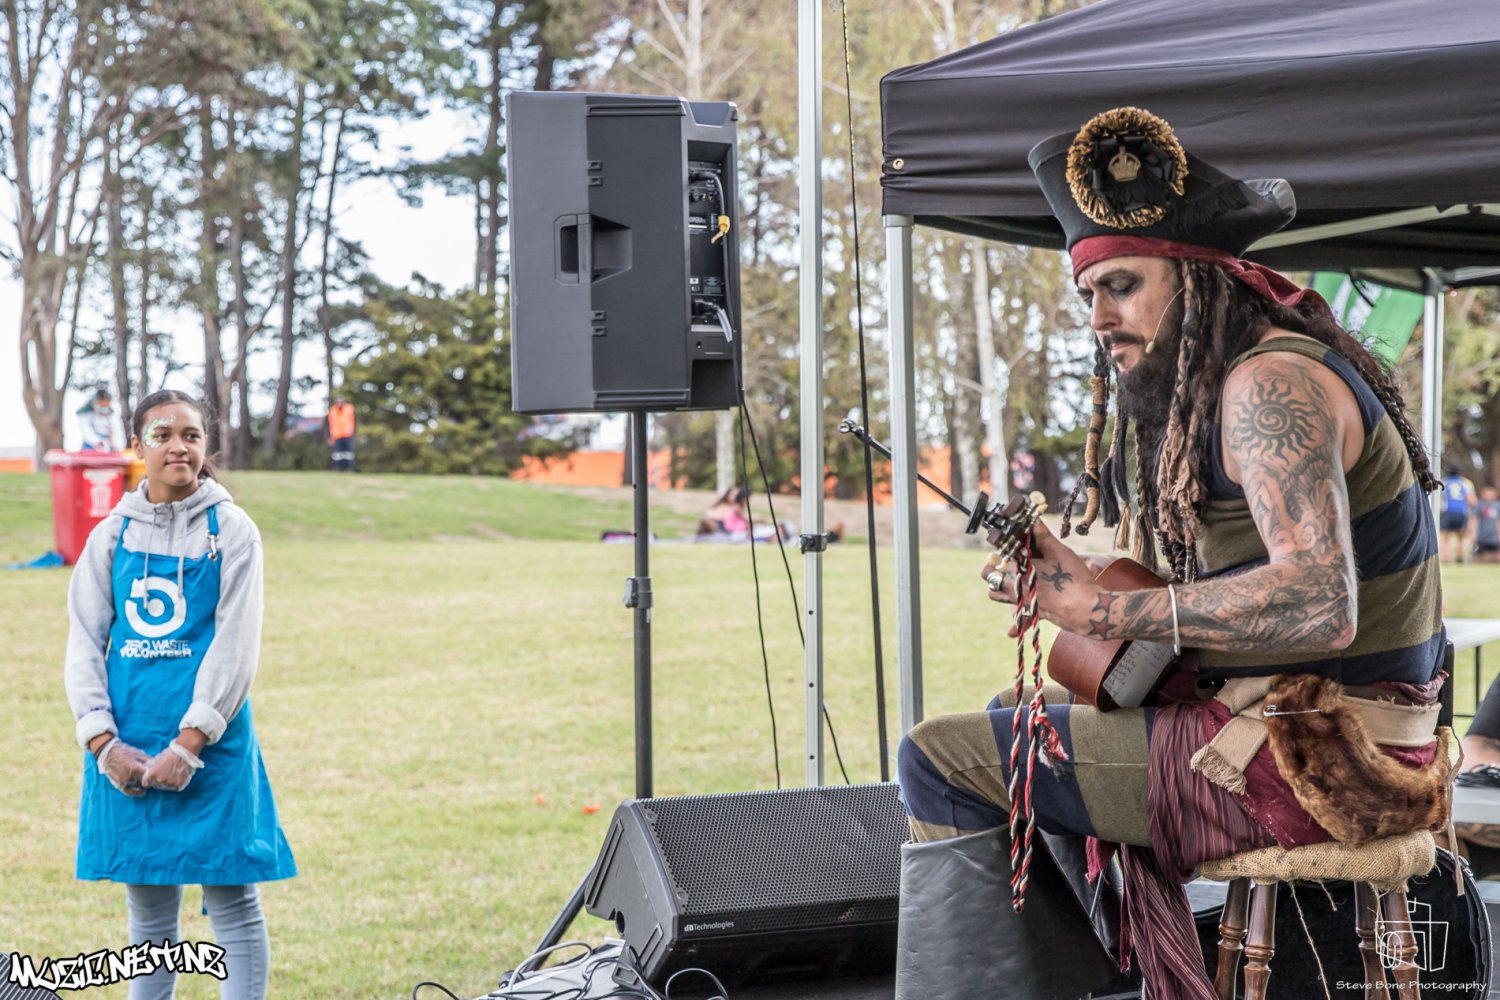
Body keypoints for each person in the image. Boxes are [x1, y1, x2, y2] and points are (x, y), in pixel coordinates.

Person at [894, 108, 1449, 1000]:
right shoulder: (1249, 374)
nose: (1100, 318)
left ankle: (1080, 981)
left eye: (1121, 286)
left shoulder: (1268, 384)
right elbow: (1238, 594)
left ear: (1198, 280)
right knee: (1013, 714)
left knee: (938, 757)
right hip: (1325, 731)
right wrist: (1074, 578)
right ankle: (1110, 976)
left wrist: (1103, 609)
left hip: (1326, 760)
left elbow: (1320, 602)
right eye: (1088, 294)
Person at [64, 389, 296, 999]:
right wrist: (103, 743)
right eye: (162, 435)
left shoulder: (234, 531)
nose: (178, 447)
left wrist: (191, 742)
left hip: (212, 744)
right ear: (136, 446)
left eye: (191, 435)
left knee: (232, 898)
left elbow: (237, 645)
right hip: (130, 740)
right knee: (148, 910)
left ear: (204, 445)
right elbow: (84, 641)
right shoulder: (110, 536)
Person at [1441, 464, 1476, 562]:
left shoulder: (1444, 481)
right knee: (1461, 537)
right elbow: (1472, 501)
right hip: (1461, 512)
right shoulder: (1466, 482)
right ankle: (1460, 558)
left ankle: (1445, 558)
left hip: (1447, 511)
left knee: (1446, 537)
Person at [328, 395, 356, 472]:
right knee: (337, 453)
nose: (339, 403)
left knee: (348, 453)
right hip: (336, 435)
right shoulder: (332, 410)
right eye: (338, 401)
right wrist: (330, 436)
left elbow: (354, 421)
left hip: (347, 434)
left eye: (341, 401)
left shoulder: (349, 408)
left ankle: (349, 468)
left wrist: (353, 432)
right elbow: (330, 424)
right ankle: (337, 468)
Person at [1473, 483, 1499, 564]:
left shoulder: (1497, 506)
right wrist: (1473, 534)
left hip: (1493, 536)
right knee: (1478, 556)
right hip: (1482, 536)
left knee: (1497, 555)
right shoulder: (1479, 505)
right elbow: (1474, 520)